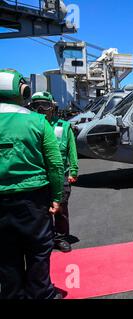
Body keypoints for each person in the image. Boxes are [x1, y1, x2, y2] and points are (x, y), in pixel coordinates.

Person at [0, 69, 64, 299]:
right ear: (23, 91)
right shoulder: (37, 121)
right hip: (33, 200)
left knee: (6, 256)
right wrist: (57, 196)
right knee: (38, 250)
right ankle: (41, 294)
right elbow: (55, 163)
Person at [29, 91, 79, 253]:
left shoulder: (63, 126)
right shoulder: (30, 126)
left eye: (46, 105)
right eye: (37, 105)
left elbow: (72, 149)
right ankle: (44, 238)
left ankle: (61, 237)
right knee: (40, 209)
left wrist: (74, 170)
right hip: (38, 175)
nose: (42, 109)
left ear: (52, 107)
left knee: (61, 208)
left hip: (60, 174)